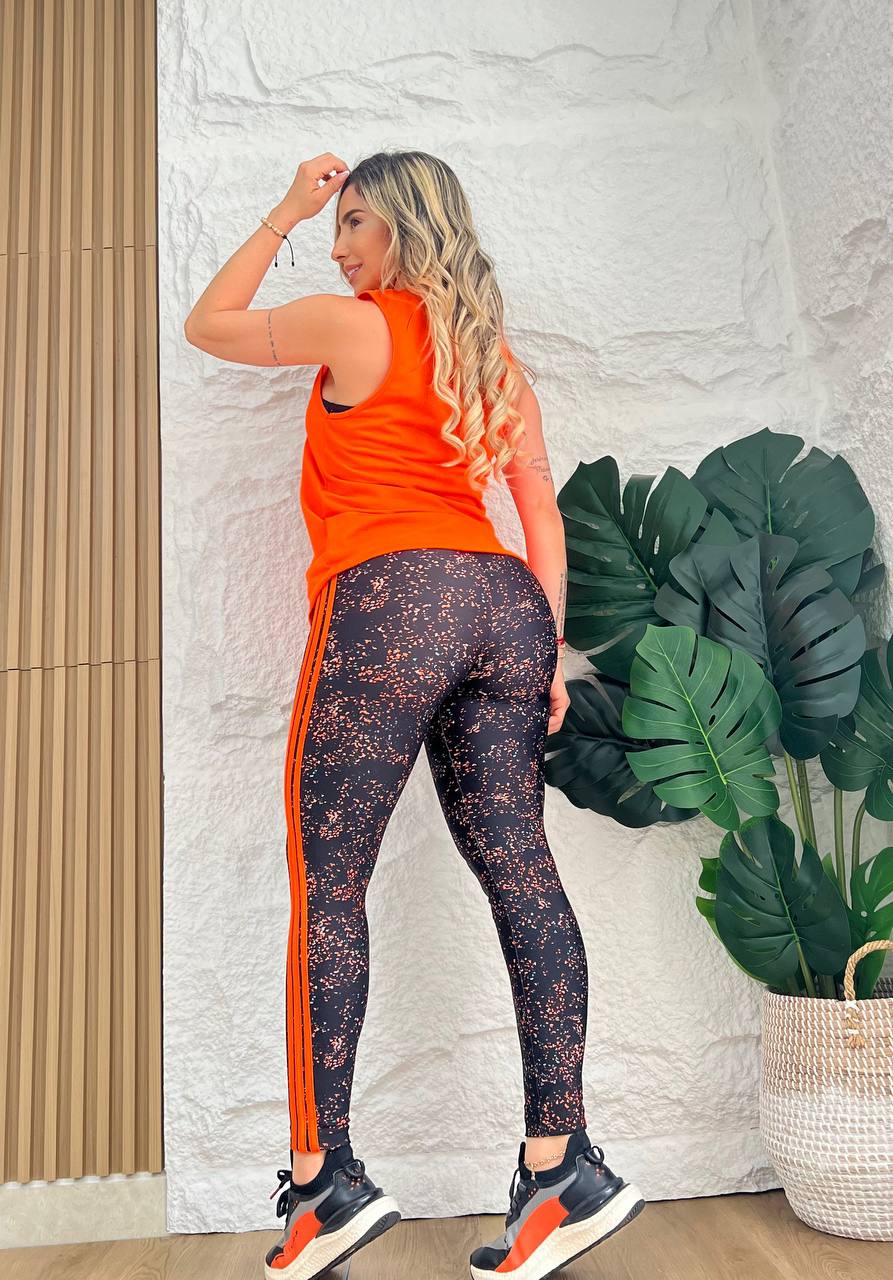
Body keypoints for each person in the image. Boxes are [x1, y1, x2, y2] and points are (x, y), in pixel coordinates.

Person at [184, 149, 645, 1280]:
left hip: (391, 601)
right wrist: (543, 649)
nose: (337, 244)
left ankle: (321, 1183)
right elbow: (539, 514)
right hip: (501, 605)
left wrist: (280, 210)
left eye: (352, 223)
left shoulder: (352, 326)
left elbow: (208, 324)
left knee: (328, 882)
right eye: (330, 224)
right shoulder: (492, 358)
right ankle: (562, 1169)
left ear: (401, 228)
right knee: (522, 874)